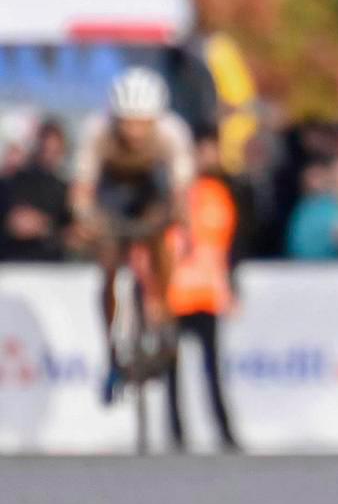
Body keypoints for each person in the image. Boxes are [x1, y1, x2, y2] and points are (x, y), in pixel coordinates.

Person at [69, 66, 196, 403]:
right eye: (127, 122)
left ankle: (162, 309)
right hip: (112, 193)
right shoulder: (96, 131)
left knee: (161, 233)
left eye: (142, 123)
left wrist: (183, 225)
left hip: (151, 191)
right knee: (108, 261)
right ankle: (112, 343)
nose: (135, 132)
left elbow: (181, 193)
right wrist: (86, 219)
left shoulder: (173, 133)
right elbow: (81, 190)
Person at [165, 133, 239, 452]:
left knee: (212, 369)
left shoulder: (217, 193)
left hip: (207, 294)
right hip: (173, 294)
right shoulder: (170, 195)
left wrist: (230, 288)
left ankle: (224, 432)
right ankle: (176, 434)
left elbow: (225, 246)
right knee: (172, 371)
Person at [3, 119, 71, 262]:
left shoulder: (64, 188)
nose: (50, 155)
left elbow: (68, 231)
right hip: (13, 265)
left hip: (51, 268)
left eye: (55, 151)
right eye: (46, 149)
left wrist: (44, 226)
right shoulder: (13, 182)